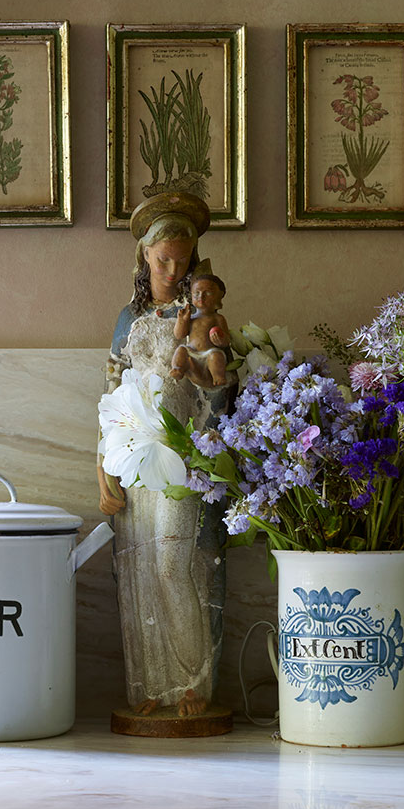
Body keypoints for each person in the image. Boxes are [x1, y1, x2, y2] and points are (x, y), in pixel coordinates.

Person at [98, 193, 230, 725]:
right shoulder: (128, 320)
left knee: (178, 566)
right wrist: (103, 467)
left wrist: (208, 385)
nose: (173, 271)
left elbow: (221, 393)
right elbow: (109, 394)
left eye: (183, 260)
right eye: (163, 260)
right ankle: (151, 685)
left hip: (185, 455)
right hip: (134, 455)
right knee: (141, 569)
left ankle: (192, 681)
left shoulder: (203, 317)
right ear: (144, 259)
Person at [171, 262, 231, 388]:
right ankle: (178, 369)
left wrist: (220, 340)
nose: (201, 297)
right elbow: (179, 335)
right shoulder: (191, 318)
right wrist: (182, 320)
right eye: (196, 293)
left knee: (217, 356)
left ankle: (218, 376)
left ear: (219, 297)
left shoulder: (218, 318)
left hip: (209, 353)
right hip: (191, 352)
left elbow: (226, 340)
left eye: (208, 293)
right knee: (181, 350)